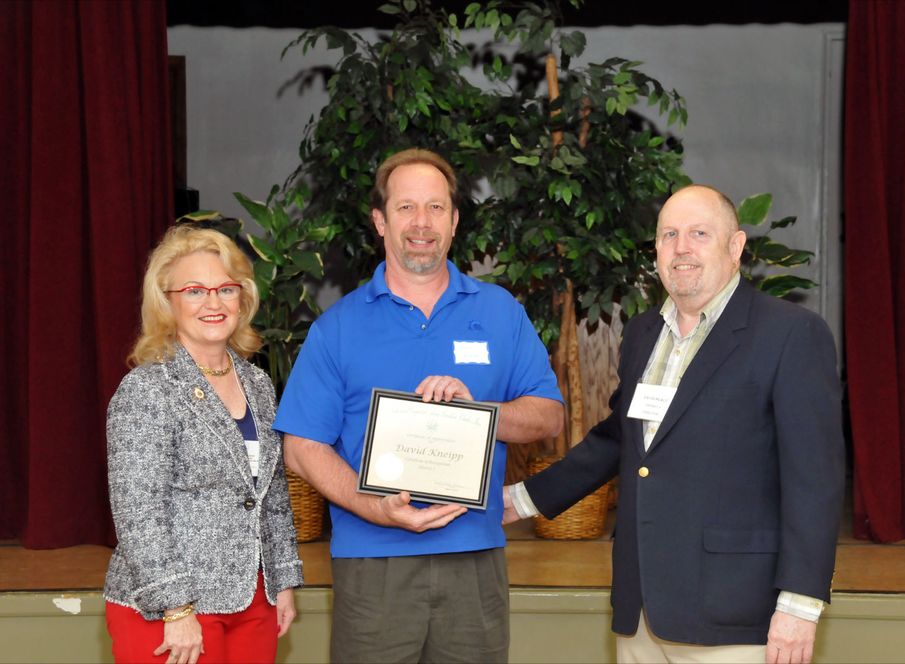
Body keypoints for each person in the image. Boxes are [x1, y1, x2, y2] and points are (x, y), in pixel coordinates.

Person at [505, 185, 845, 664]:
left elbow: (816, 480)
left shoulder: (790, 333)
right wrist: (521, 499)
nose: (681, 247)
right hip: (641, 613)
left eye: (699, 234)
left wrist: (800, 606)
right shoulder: (643, 332)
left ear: (736, 247)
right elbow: (620, 440)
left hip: (735, 619)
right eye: (669, 235)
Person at [274, 147, 565, 663]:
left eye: (435, 207)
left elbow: (549, 415)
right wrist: (376, 509)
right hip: (373, 564)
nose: (422, 223)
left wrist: (482, 414)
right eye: (406, 207)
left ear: (454, 221)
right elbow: (301, 447)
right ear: (380, 221)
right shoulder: (337, 327)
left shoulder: (500, 312)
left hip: (474, 555)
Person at [103, 225, 304, 664]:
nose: (214, 303)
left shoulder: (257, 383)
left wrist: (283, 579)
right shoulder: (147, 389)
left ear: (242, 298)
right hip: (169, 610)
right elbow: (138, 511)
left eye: (226, 289)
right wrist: (175, 607)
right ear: (167, 302)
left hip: (255, 600)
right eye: (195, 291)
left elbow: (271, 494)